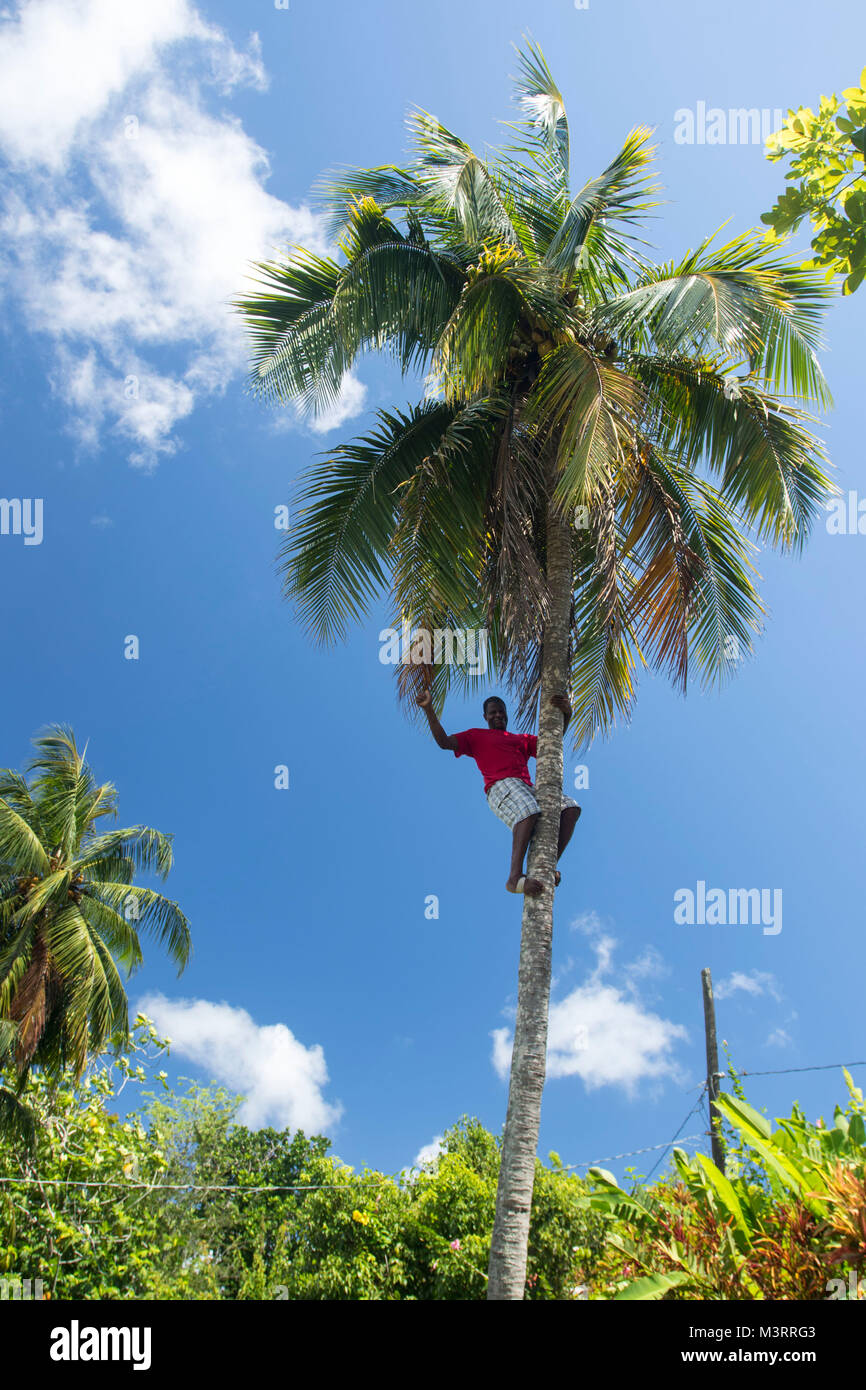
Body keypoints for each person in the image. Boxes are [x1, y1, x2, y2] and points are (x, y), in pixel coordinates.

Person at [417, 690, 581, 897]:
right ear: (485, 717)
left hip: (528, 788)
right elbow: (444, 742)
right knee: (529, 809)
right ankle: (514, 878)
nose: (498, 716)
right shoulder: (475, 736)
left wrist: (567, 715)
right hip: (500, 786)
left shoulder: (519, 739)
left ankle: (549, 865)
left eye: (501, 712)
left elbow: (550, 745)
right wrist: (428, 709)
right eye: (493, 713)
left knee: (570, 808)